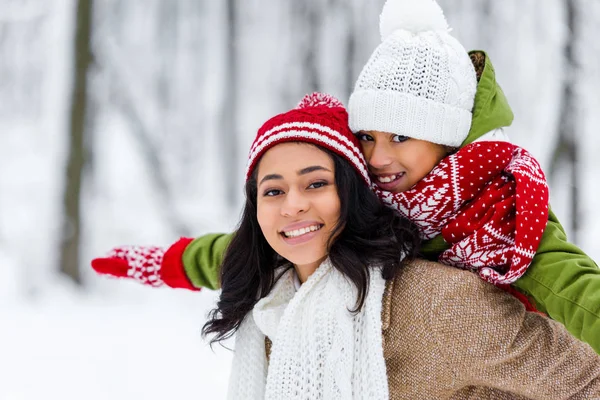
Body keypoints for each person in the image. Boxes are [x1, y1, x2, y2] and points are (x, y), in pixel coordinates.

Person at [91, 0, 600, 354]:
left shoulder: (497, 209)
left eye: (400, 138)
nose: (379, 156)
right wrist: (162, 262)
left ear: (445, 139)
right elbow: (255, 247)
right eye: (368, 137)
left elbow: (575, 291)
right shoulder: (365, 200)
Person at [210, 92, 600, 399]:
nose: (293, 205)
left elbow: (587, 382)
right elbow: (210, 256)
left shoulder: (433, 301)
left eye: (316, 184)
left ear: (351, 194)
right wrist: (155, 263)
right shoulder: (271, 305)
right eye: (273, 190)